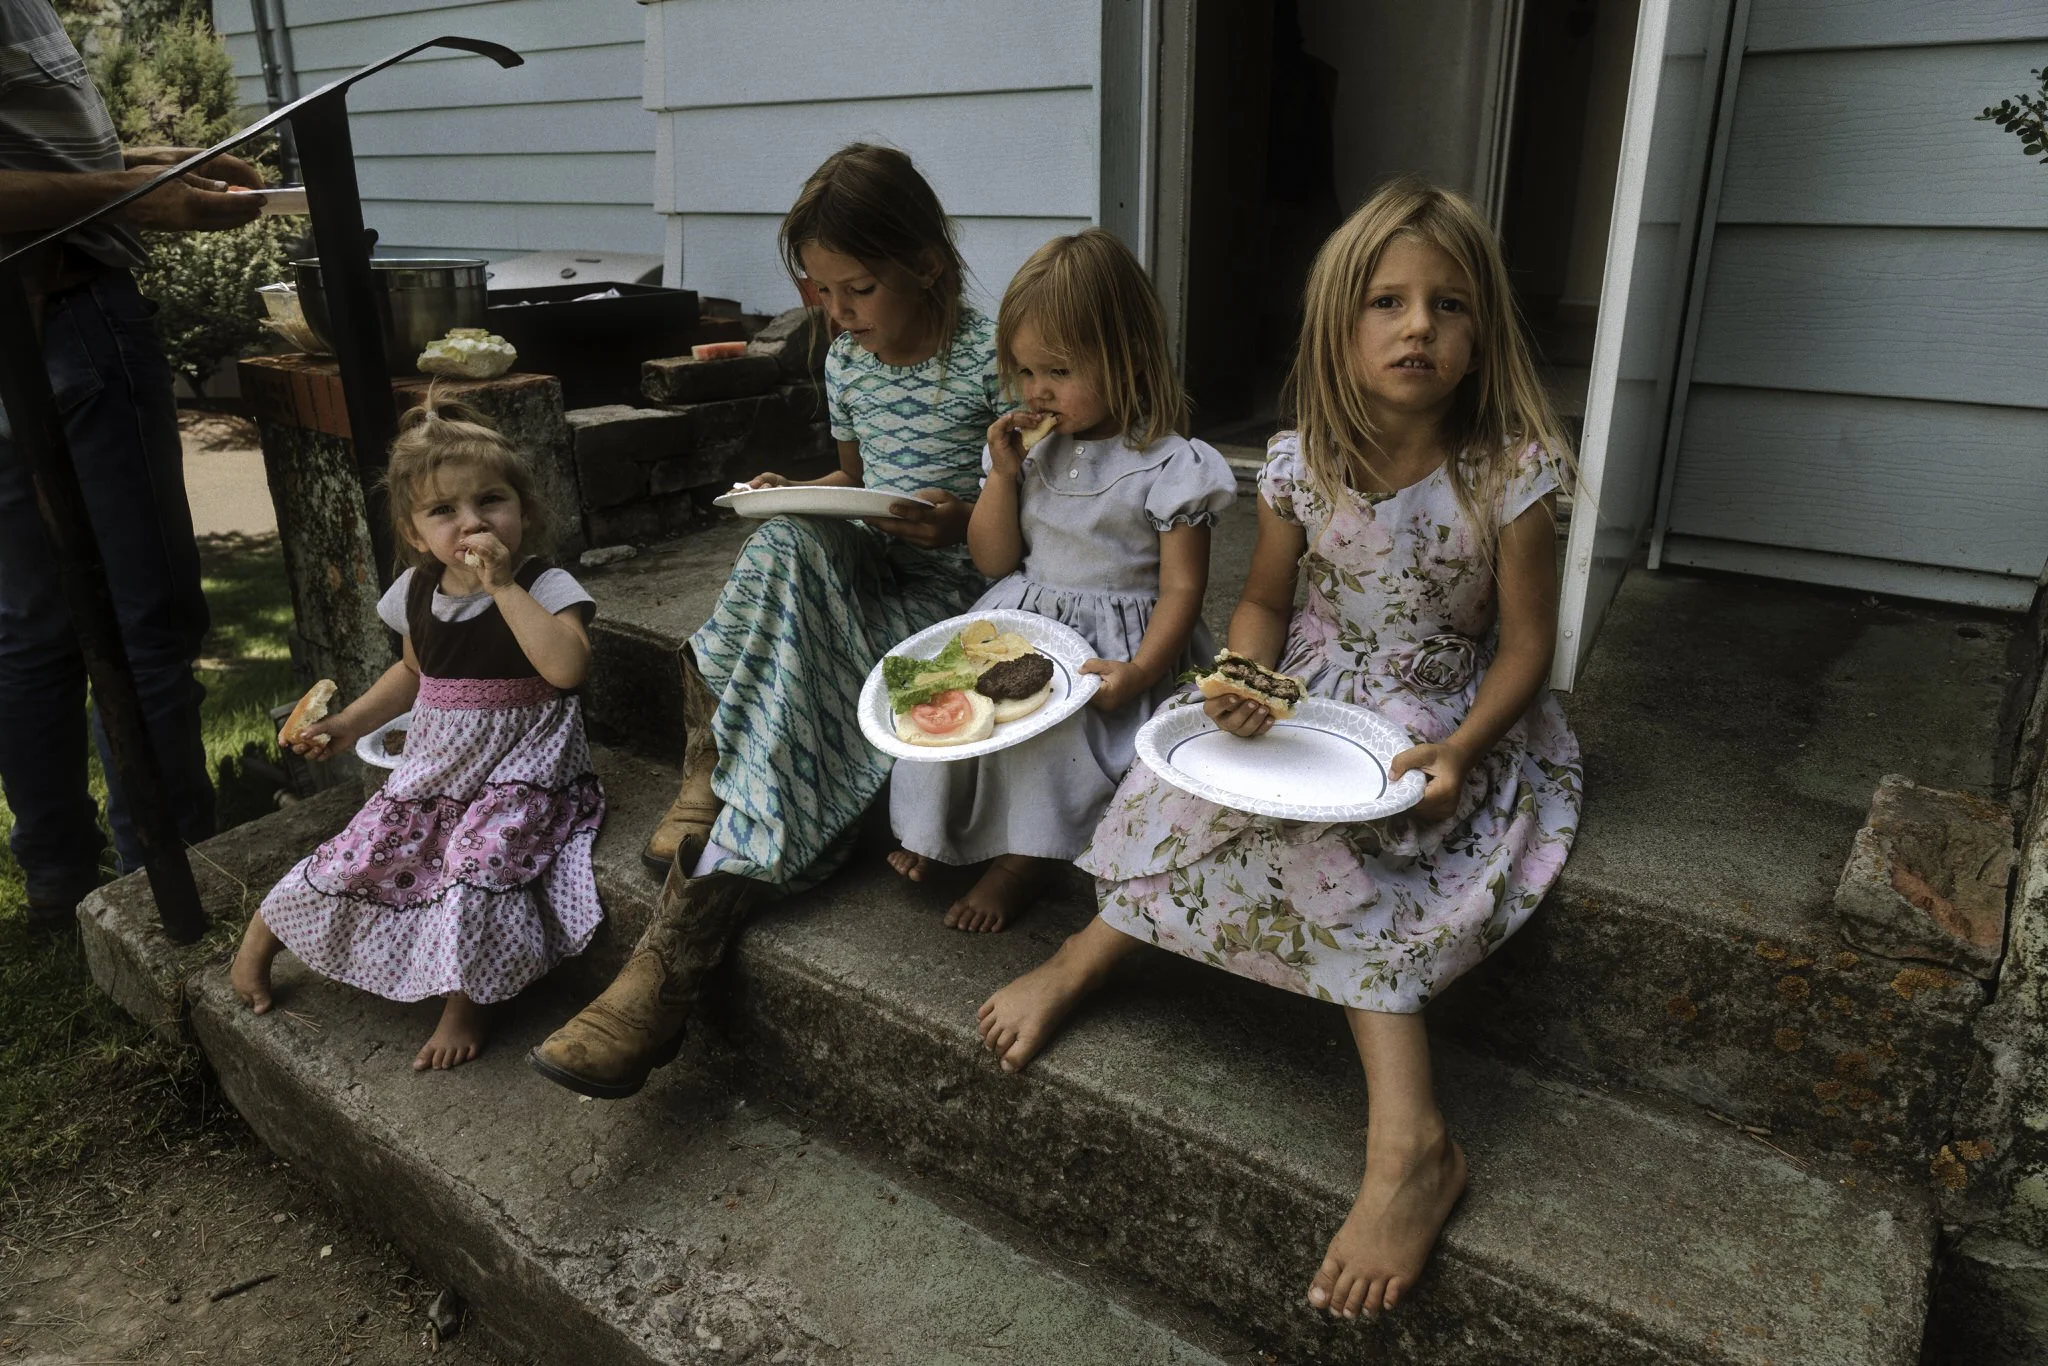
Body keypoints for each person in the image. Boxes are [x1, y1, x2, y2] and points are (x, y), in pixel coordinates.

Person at [976, 177, 1583, 1321]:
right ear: (1336, 325)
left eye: (1446, 305)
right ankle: (1089, 954)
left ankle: (1412, 1144)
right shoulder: (1299, 463)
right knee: (1181, 795)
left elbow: (1524, 648)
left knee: (1338, 840)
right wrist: (1236, 684)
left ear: (1480, 331)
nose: (1416, 327)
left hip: (1432, 714)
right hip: (1305, 692)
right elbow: (1259, 603)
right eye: (1386, 302)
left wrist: (1459, 745)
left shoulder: (1510, 476)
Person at [529, 143, 1002, 1098]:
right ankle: (710, 770)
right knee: (781, 542)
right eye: (820, 292)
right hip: (861, 569)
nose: (838, 314)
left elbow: (1016, 534)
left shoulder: (994, 357)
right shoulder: (849, 365)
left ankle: (672, 956)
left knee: (789, 614)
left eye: (859, 289)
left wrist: (952, 515)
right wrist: (800, 490)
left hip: (951, 597)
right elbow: (855, 484)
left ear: (931, 267)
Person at [231, 395, 605, 1072]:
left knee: (480, 858)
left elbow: (567, 669)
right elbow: (410, 673)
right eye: (443, 511)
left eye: (491, 501)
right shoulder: (414, 591)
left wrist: (502, 588)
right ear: (413, 530)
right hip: (437, 767)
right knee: (361, 847)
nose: (472, 522)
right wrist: (347, 725)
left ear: (523, 508)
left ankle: (466, 997)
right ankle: (261, 939)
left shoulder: (543, 584)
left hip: (524, 767)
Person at [0, 0, 266, 930]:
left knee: (34, 628)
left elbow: (27, 155)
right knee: (142, 626)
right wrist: (129, 198)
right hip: (63, 321)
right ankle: (169, 880)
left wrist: (141, 171)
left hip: (48, 322)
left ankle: (63, 883)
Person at [887, 228, 1234, 932]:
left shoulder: (1172, 467)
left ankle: (1023, 863)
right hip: (1027, 615)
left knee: (1053, 736)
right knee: (967, 710)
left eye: (1058, 372)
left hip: (1121, 644)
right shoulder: (1028, 451)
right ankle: (944, 829)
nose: (1036, 391)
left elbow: (1182, 591)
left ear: (1128, 358)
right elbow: (992, 559)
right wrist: (1004, 477)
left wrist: (1140, 671)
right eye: (1024, 372)